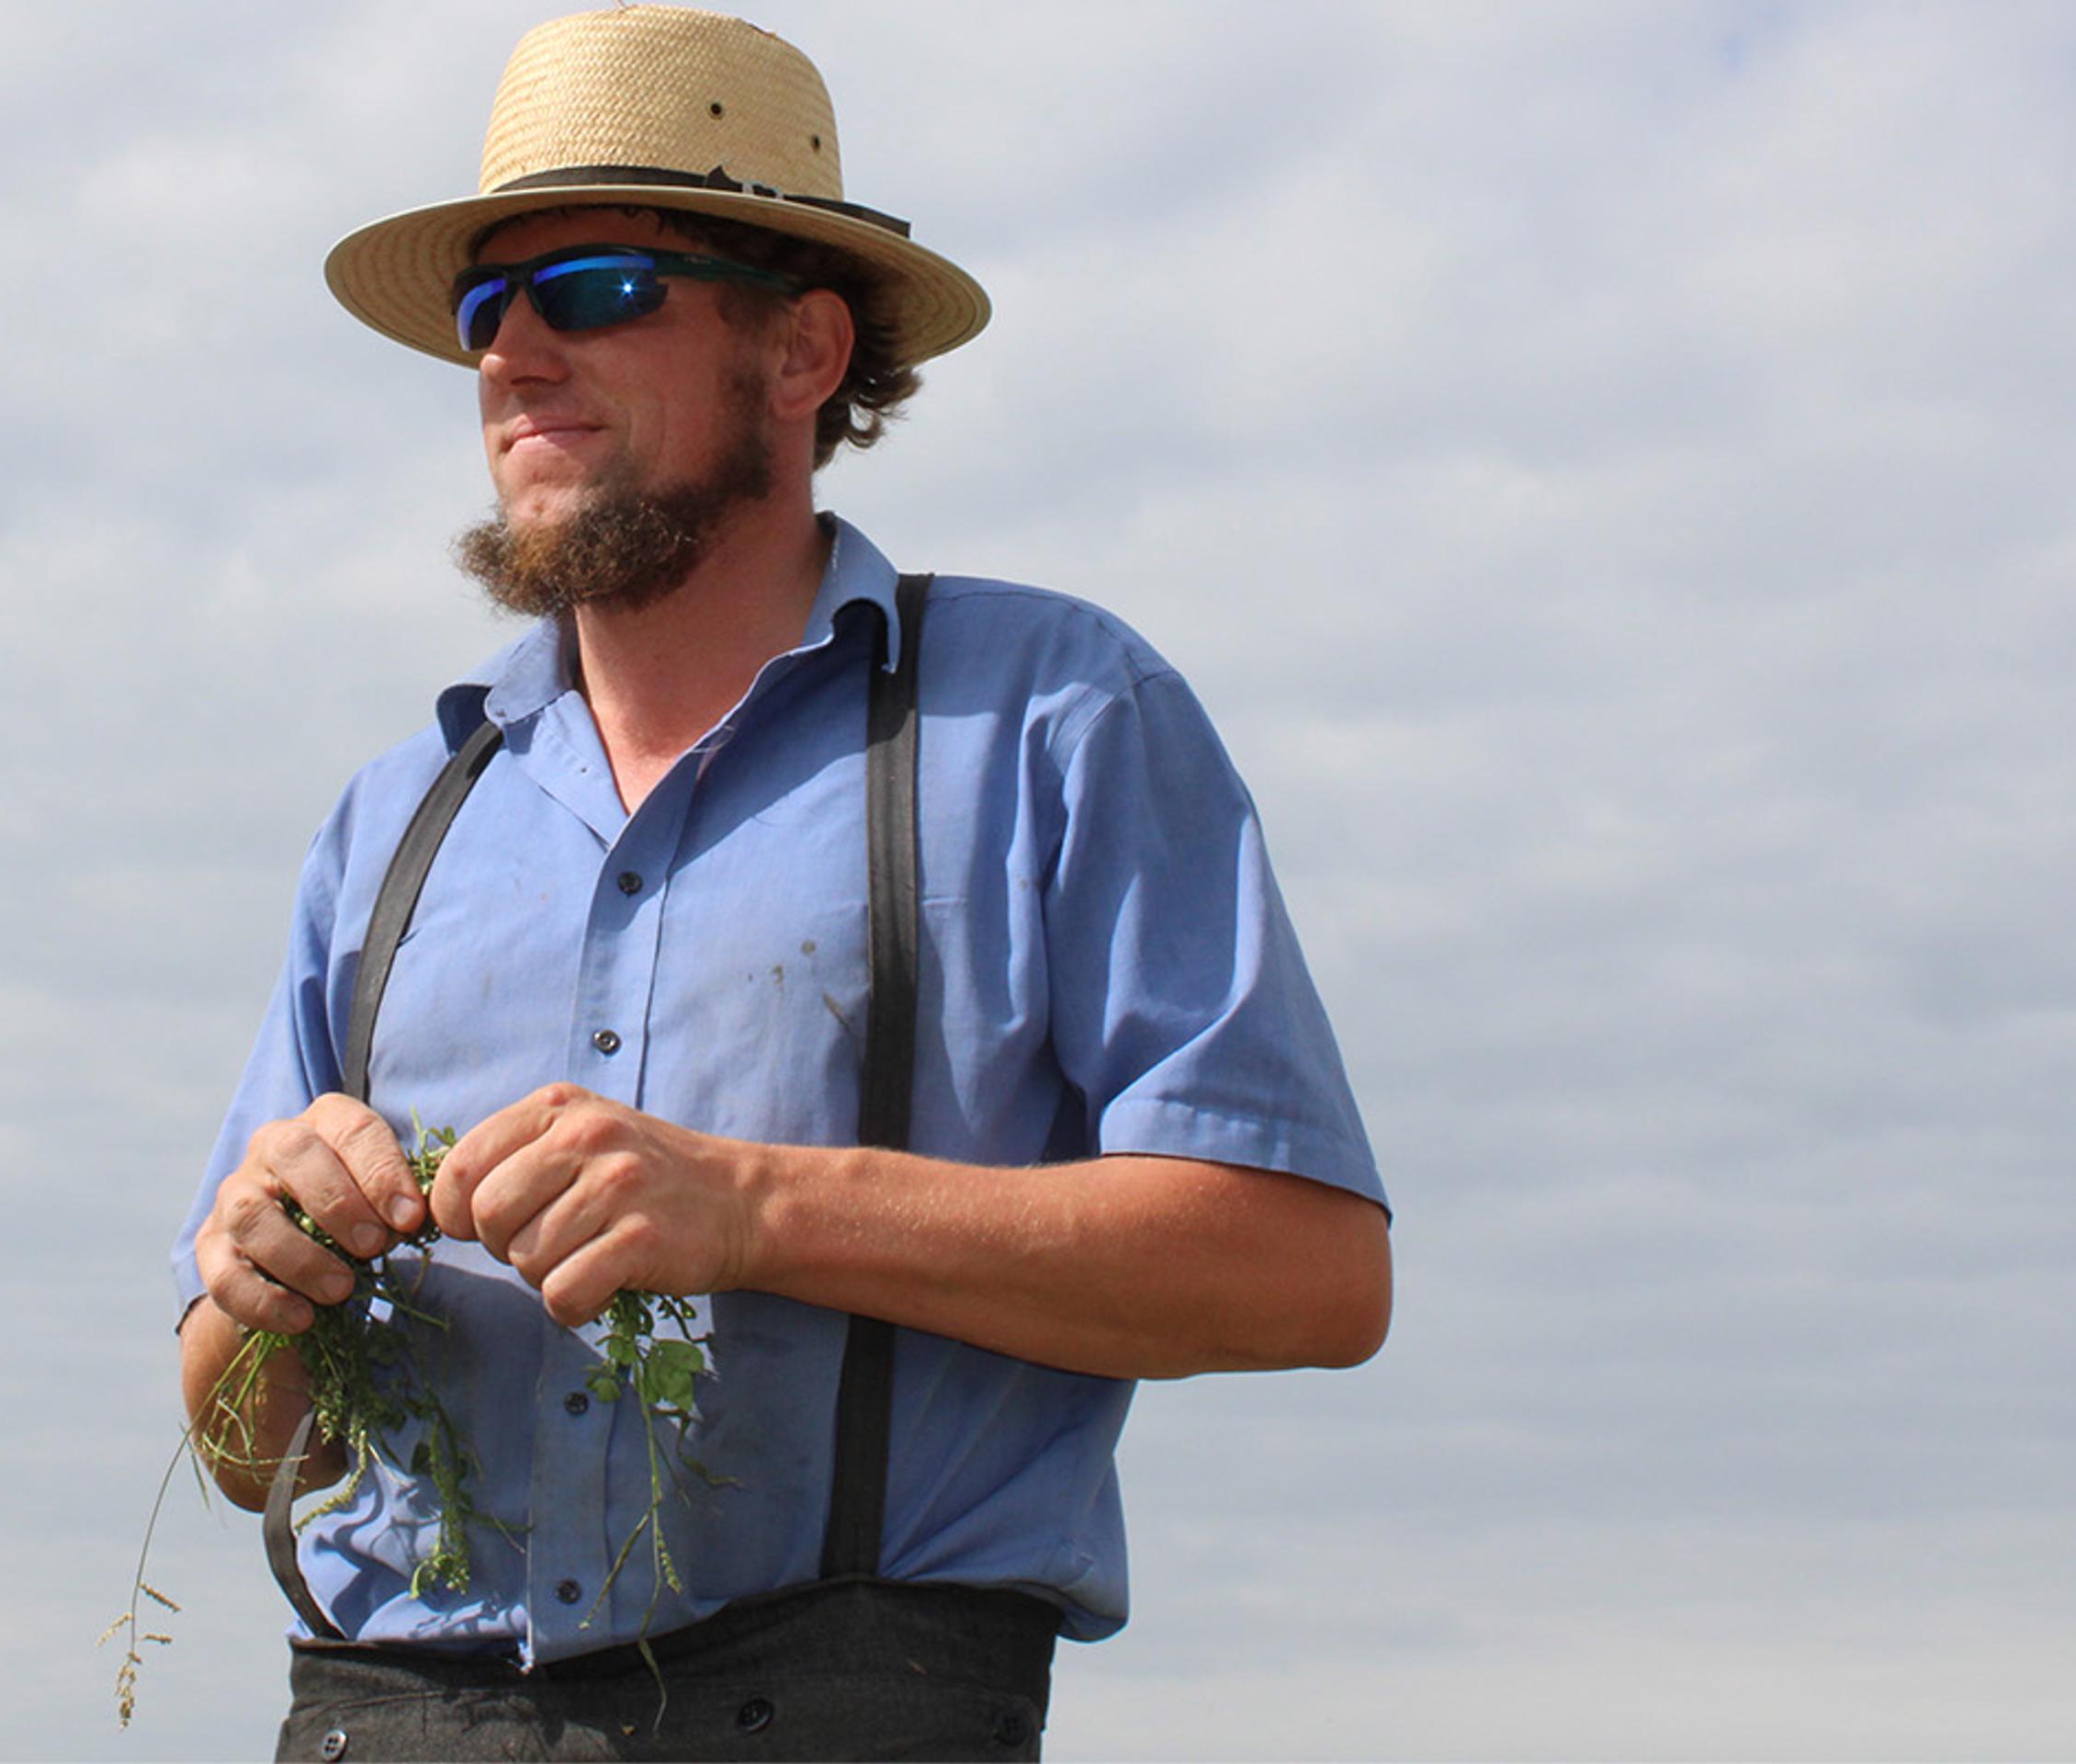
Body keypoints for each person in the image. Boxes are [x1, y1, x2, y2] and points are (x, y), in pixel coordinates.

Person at [170, 8, 1390, 1757]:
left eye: (594, 288)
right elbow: (240, 1450)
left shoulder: (1050, 716)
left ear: (805, 347)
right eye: (483, 311)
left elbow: (1311, 1275)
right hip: (383, 1721)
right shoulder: (397, 822)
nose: (515, 355)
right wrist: (258, 1286)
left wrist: (758, 1209)